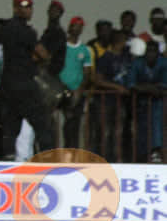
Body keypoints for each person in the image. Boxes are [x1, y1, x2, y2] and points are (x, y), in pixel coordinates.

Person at [0, 0, 53, 159]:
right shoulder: (26, 30)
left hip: (8, 84)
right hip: (25, 84)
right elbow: (42, 55)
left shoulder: (6, 28)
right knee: (42, 123)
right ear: (16, 8)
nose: (28, 10)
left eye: (29, 7)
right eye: (24, 7)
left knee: (10, 126)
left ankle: (7, 160)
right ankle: (48, 158)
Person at [93, 30, 131, 162]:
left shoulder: (126, 58)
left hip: (121, 101)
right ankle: (103, 158)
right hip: (106, 100)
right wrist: (117, 87)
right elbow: (98, 80)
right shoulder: (105, 58)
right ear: (118, 41)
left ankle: (117, 159)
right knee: (105, 131)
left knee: (119, 131)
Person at [127, 41, 167, 163]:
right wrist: (151, 89)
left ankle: (156, 151)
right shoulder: (137, 63)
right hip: (139, 102)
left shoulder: (164, 63)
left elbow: (164, 87)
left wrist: (144, 88)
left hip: (157, 102)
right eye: (148, 51)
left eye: (153, 51)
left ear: (158, 53)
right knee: (140, 128)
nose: (150, 54)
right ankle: (142, 155)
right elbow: (131, 84)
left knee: (156, 121)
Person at [58, 16, 92, 148]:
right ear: (69, 27)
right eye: (74, 25)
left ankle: (73, 153)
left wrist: (79, 90)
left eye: (80, 26)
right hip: (60, 91)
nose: (76, 28)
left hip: (77, 93)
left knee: (74, 125)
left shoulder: (85, 50)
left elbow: (87, 73)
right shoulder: (62, 46)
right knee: (60, 123)